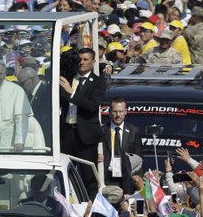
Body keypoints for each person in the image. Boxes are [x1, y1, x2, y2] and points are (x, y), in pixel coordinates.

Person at [59, 47, 105, 197]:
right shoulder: (68, 78)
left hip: (85, 137)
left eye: (86, 60)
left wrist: (71, 93)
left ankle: (92, 210)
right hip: (66, 133)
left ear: (93, 61)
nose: (82, 62)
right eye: (80, 59)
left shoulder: (98, 82)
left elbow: (92, 106)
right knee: (64, 172)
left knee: (89, 177)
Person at [102, 97, 142, 194]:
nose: (118, 115)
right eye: (115, 112)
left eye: (121, 111)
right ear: (110, 112)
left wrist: (138, 182)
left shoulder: (134, 131)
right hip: (107, 177)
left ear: (126, 112)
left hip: (127, 179)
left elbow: (139, 158)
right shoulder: (101, 131)